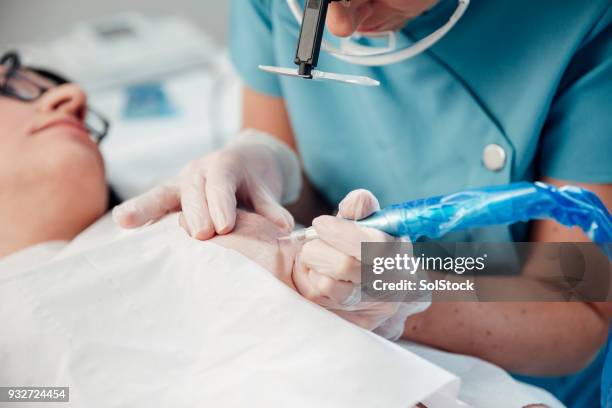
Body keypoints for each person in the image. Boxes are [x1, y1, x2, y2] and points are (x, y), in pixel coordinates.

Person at [113, 0, 612, 405]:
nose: (340, 27)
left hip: (520, 377)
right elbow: (295, 205)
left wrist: (403, 290)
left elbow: (577, 299)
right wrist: (270, 168)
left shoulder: (582, 19)